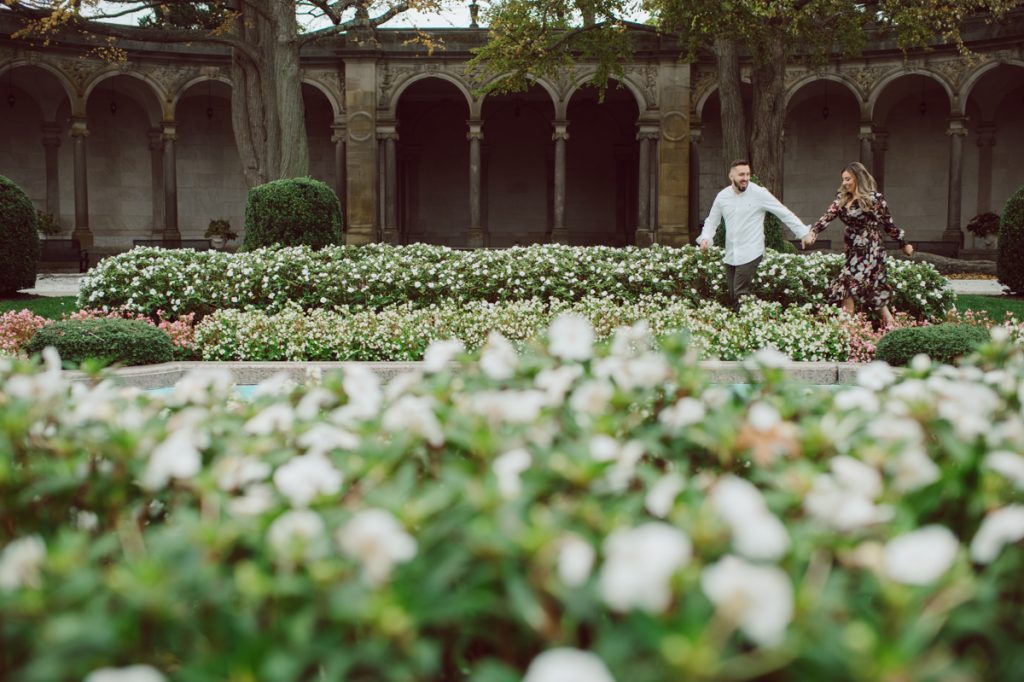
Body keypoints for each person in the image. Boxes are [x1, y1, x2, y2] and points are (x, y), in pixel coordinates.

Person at [804, 161, 913, 327]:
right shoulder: (842, 199)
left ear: (858, 178)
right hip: (853, 249)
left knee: (848, 287)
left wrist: (903, 243)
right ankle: (892, 328)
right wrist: (813, 232)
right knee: (872, 292)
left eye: (848, 179)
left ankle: (844, 332)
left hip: (871, 249)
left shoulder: (874, 199)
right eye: (843, 179)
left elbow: (888, 224)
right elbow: (827, 216)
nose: (844, 183)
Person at [697, 159, 814, 310]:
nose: (745, 178)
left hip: (752, 251)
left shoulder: (759, 193)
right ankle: (762, 313)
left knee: (740, 293)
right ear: (731, 176)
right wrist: (706, 238)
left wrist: (803, 233)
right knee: (734, 294)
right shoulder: (722, 196)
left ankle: (746, 326)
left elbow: (783, 212)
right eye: (741, 175)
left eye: (747, 174)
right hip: (731, 253)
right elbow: (712, 220)